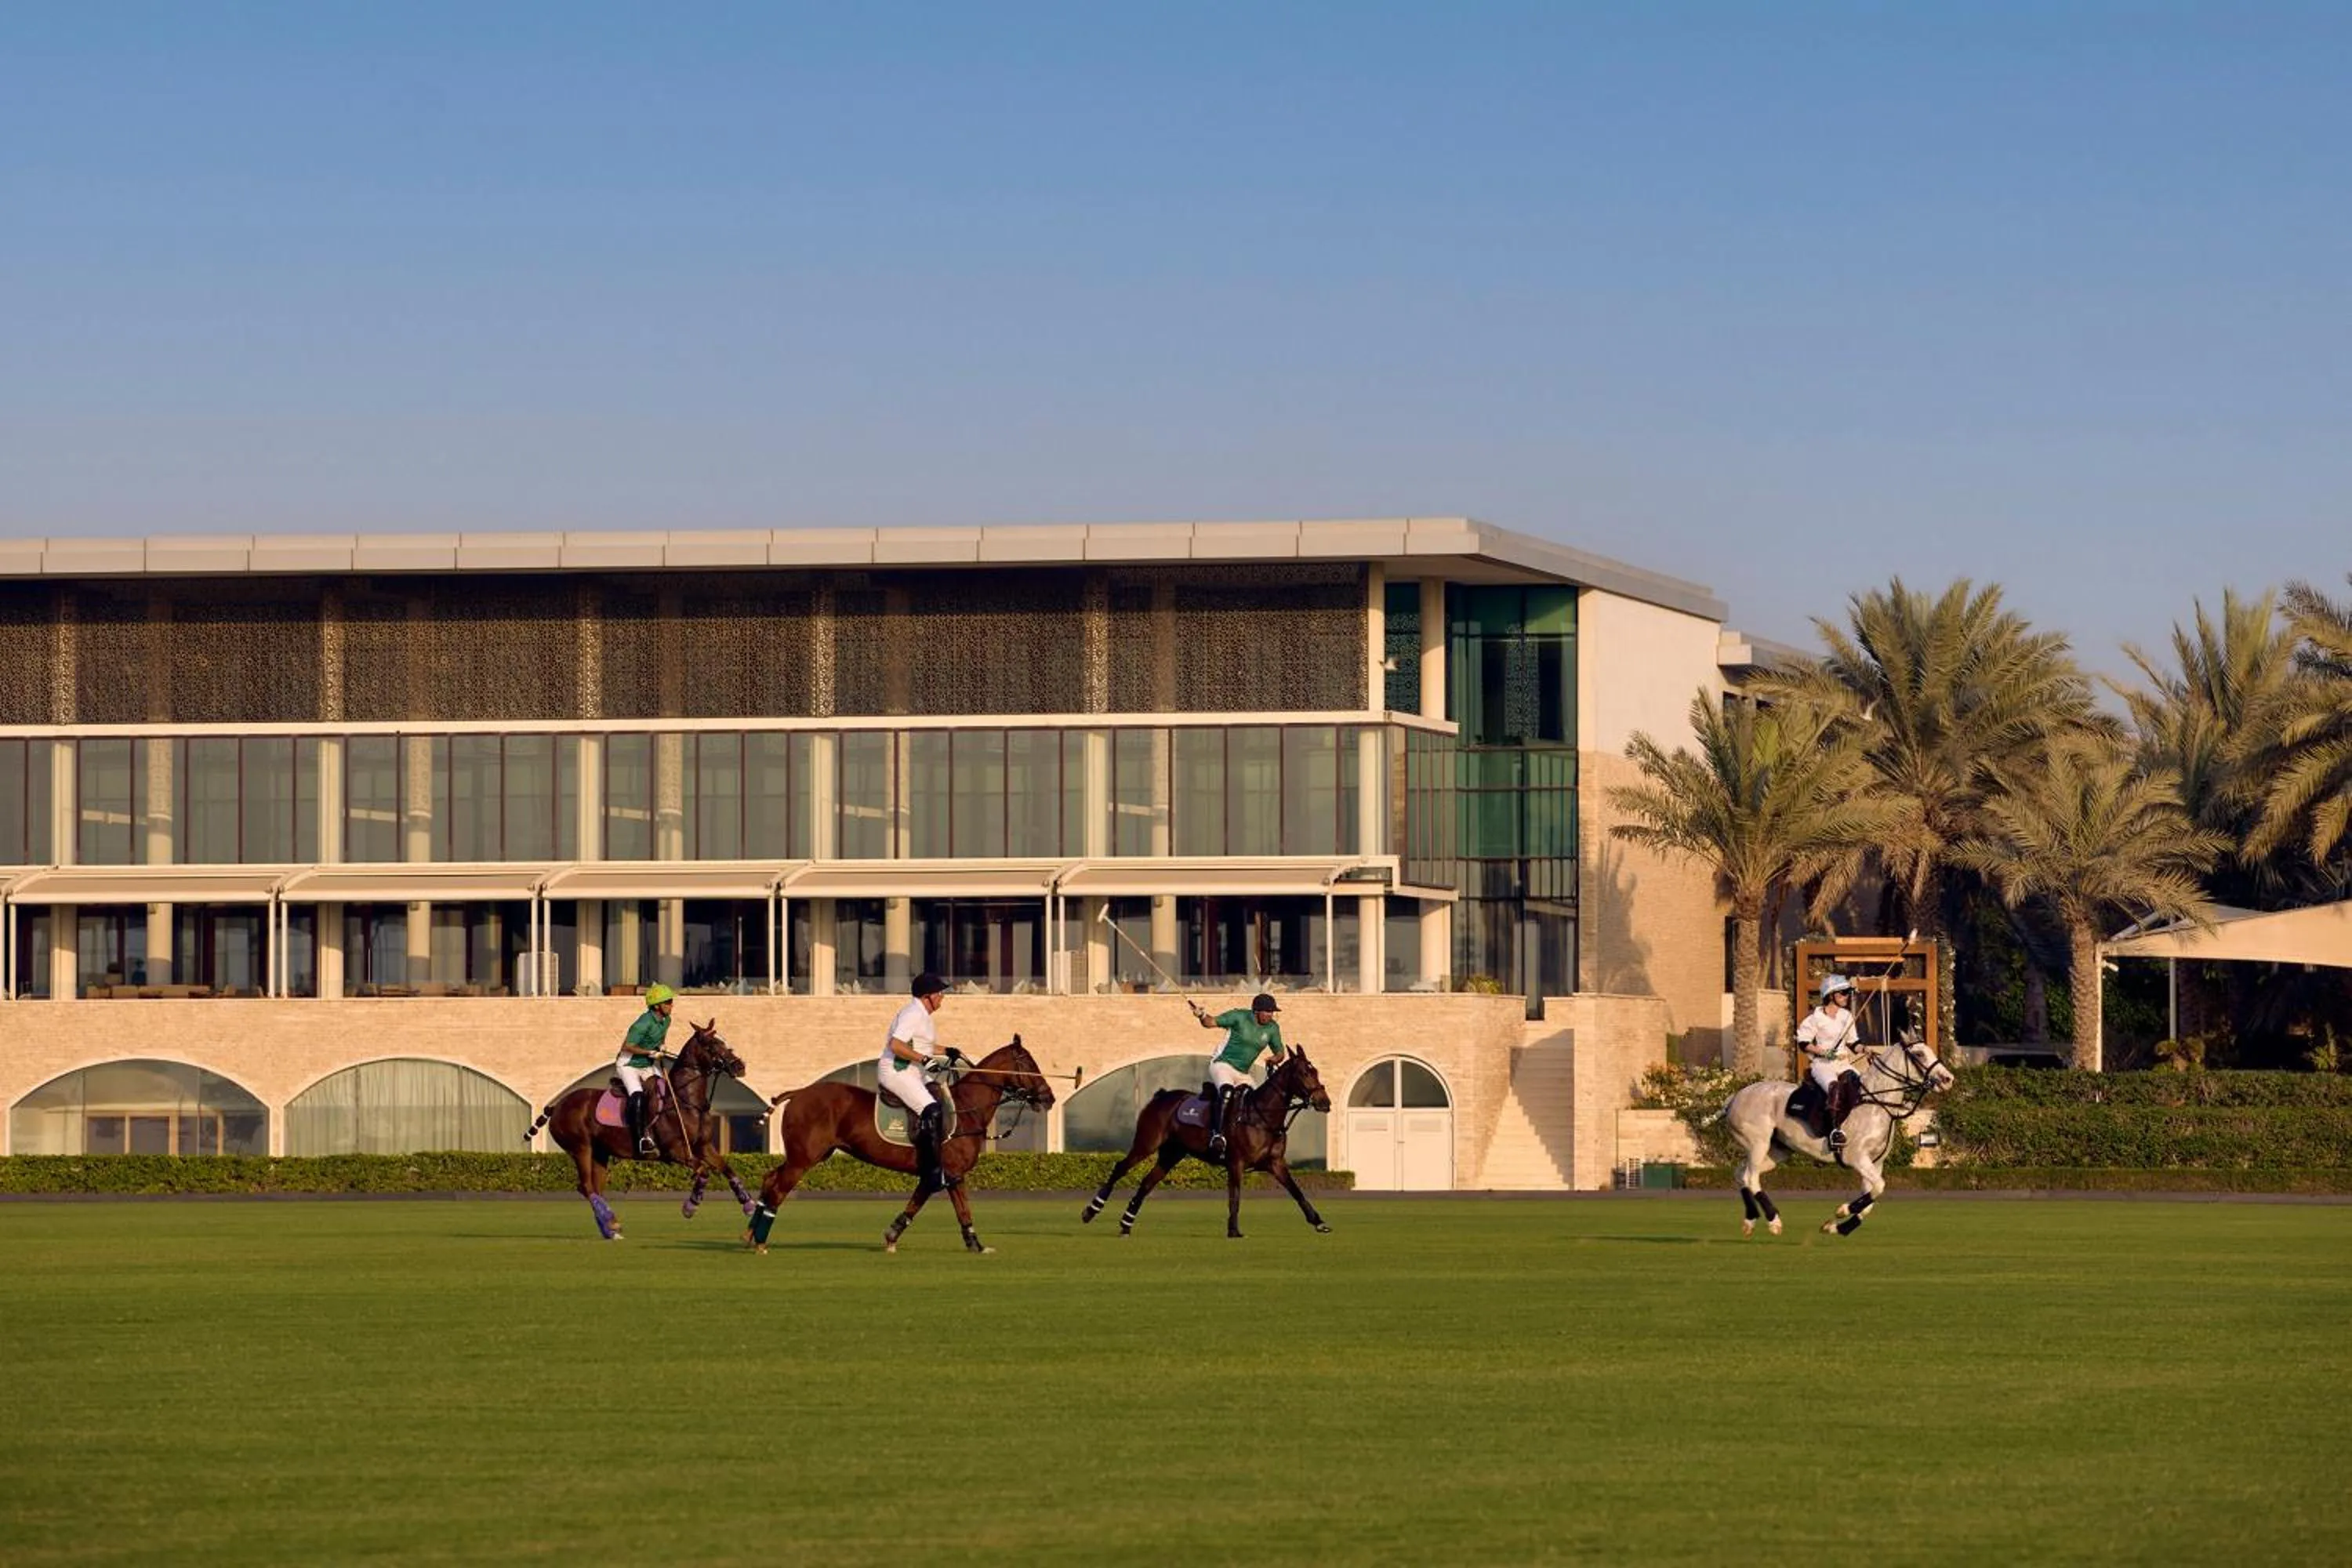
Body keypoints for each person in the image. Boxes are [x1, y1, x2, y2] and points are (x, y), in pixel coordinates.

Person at [878, 971, 967, 1189]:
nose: (942, 997)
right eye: (939, 993)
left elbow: (921, 1046)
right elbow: (896, 1045)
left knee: (943, 1094)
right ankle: (932, 1172)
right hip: (897, 1071)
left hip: (913, 1071)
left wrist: (946, 1050)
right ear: (927, 996)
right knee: (933, 1110)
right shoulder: (912, 1014)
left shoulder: (923, 1016)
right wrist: (925, 1060)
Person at [1189, 992, 1287, 1159]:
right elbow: (1210, 1023)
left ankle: (1248, 1141)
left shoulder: (1272, 1028)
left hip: (1243, 1073)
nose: (1270, 1015)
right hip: (1223, 1065)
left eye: (1272, 1012)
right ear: (1256, 1011)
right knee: (1227, 1091)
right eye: (1267, 1012)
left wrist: (1274, 1059)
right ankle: (1217, 1135)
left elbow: (1280, 1053)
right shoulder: (1238, 1017)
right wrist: (1202, 1015)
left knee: (1257, 1102)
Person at [1792, 975, 1864, 1152]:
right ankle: (1834, 1131)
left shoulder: (1846, 1016)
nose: (1847, 996)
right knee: (1834, 1088)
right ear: (1831, 995)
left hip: (1843, 1063)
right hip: (1822, 1065)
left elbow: (1854, 1043)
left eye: (1848, 992)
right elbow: (1803, 1043)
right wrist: (1823, 1051)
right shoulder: (1815, 1018)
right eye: (1844, 993)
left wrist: (1866, 1049)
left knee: (1859, 1084)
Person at [615, 983, 677, 1155]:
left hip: (647, 1065)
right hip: (629, 1065)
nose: (672, 1005)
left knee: (665, 1092)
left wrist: (662, 1046)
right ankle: (640, 1137)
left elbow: (661, 1036)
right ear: (657, 1005)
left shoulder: (667, 1020)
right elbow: (626, 1046)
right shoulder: (643, 1023)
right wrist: (650, 1052)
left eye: (671, 1002)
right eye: (668, 1002)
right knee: (638, 1096)